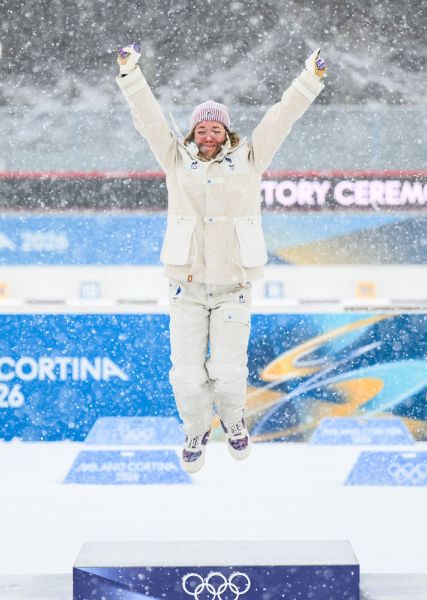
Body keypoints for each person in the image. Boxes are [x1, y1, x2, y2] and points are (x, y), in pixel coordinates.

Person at [115, 43, 327, 473]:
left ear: (226, 134)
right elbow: (150, 118)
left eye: (216, 130)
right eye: (201, 130)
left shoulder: (249, 158)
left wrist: (311, 79)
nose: (208, 136)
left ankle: (233, 421)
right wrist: (130, 72)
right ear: (192, 134)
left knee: (229, 371)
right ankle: (195, 430)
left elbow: (280, 118)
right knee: (187, 374)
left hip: (234, 287)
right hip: (187, 288)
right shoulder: (176, 160)